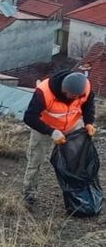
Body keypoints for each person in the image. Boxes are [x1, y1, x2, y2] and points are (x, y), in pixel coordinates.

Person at [22, 71, 95, 204]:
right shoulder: (44, 92)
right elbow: (29, 117)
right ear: (63, 89)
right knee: (35, 161)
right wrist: (51, 132)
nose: (74, 98)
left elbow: (88, 105)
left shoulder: (85, 87)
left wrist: (89, 122)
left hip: (72, 126)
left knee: (75, 160)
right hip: (44, 127)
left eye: (77, 96)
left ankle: (77, 193)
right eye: (71, 95)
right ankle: (29, 192)